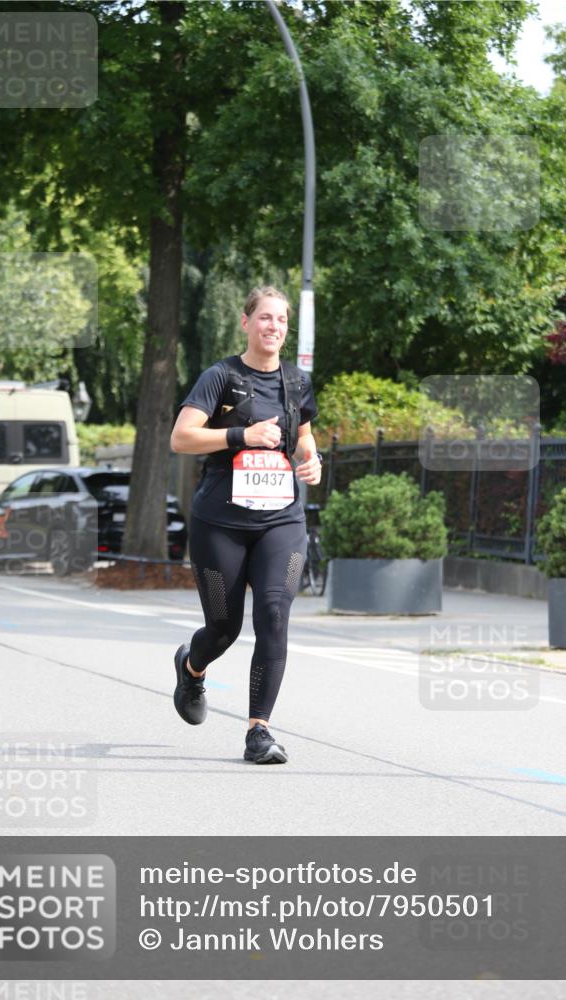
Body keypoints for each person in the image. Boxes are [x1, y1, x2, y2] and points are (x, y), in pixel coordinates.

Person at [169, 286, 322, 764]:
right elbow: (181, 438)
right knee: (223, 627)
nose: (273, 327)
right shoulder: (221, 377)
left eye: (281, 320)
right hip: (221, 523)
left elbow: (304, 436)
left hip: (281, 520)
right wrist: (241, 435)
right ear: (246, 322)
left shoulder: (296, 382)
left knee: (274, 613)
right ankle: (191, 668)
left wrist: (312, 459)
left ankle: (259, 731)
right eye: (265, 318)